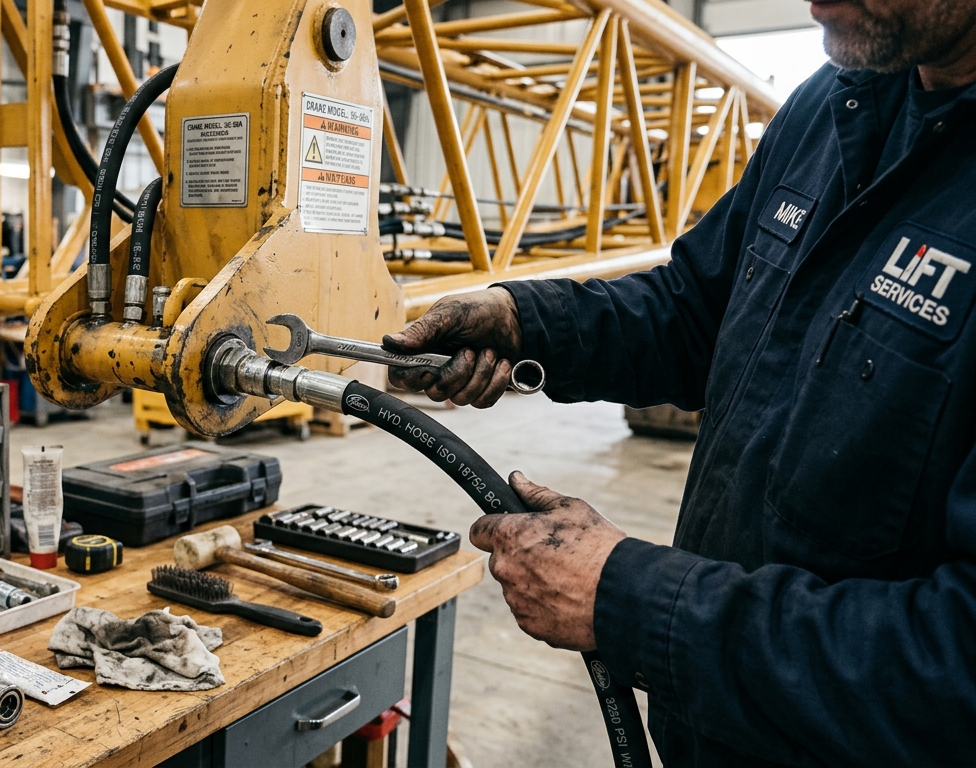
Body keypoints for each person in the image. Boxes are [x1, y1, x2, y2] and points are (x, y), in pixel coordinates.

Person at [384, 0, 976, 764]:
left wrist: (629, 599)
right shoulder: (838, 101)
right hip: (713, 732)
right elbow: (699, 312)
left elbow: (958, 665)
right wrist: (525, 320)